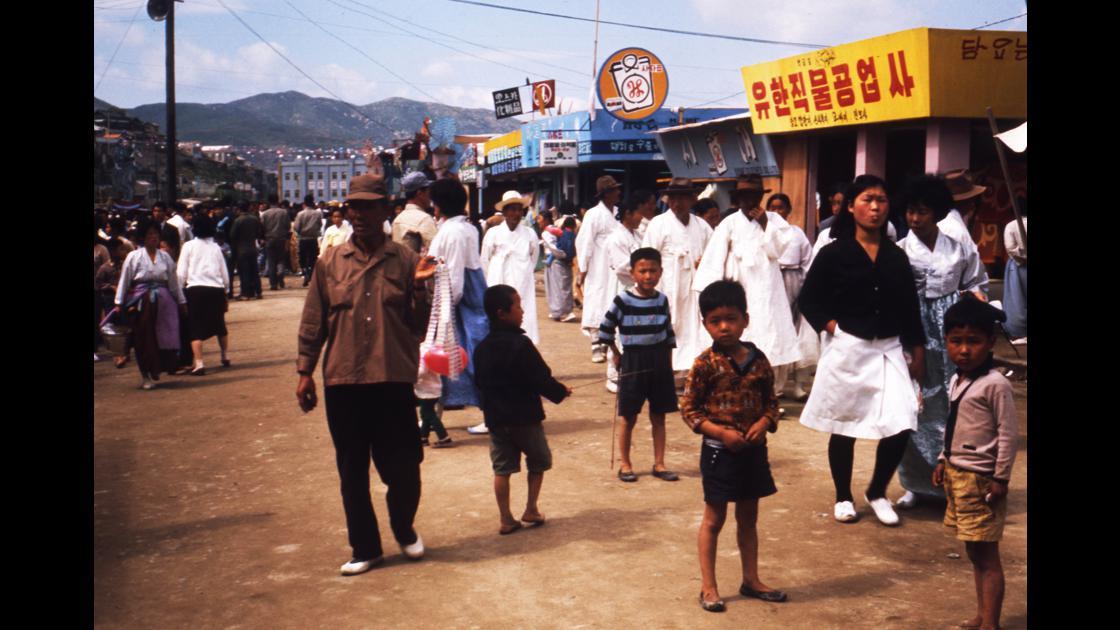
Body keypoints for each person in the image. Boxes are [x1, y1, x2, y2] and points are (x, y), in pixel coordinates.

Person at [295, 173, 437, 576]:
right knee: (352, 470)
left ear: (386, 210)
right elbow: (313, 322)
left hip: (391, 379)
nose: (358, 214)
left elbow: (421, 326)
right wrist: (305, 372)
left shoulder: (407, 260)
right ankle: (366, 547)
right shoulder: (330, 262)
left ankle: (403, 527)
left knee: (405, 466)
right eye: (352, 206)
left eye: (367, 205)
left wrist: (421, 290)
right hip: (344, 381)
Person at [798, 174, 926, 526]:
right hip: (848, 346)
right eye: (867, 200)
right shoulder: (833, 252)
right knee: (846, 423)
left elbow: (908, 306)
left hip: (889, 348)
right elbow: (808, 300)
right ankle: (843, 496)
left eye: (881, 200)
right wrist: (832, 328)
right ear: (851, 206)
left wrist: (918, 349)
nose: (875, 207)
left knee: (902, 421)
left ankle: (877, 490)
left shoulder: (896, 256)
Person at [681, 280, 786, 612]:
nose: (724, 327)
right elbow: (689, 410)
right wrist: (720, 432)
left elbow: (771, 402)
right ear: (705, 324)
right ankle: (708, 586)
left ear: (746, 319)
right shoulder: (704, 364)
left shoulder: (759, 361)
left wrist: (764, 422)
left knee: (749, 518)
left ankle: (751, 579)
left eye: (731, 318)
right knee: (714, 518)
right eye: (715, 321)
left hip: (754, 452)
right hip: (718, 452)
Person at [895, 175, 989, 508]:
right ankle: (914, 484)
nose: (915, 219)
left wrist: (974, 302)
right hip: (914, 330)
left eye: (922, 212)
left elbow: (976, 282)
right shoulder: (901, 251)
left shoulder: (960, 247)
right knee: (915, 403)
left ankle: (955, 481)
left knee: (955, 404)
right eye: (910, 211)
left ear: (936, 213)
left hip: (952, 331)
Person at [932, 295, 1017, 630]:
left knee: (987, 556)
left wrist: (1001, 479)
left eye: (973, 342)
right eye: (956, 341)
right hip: (958, 475)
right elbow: (952, 425)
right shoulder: (958, 380)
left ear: (990, 343)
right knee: (973, 552)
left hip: (982, 480)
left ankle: (991, 623)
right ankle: (983, 614)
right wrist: (943, 459)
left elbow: (1007, 435)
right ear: (946, 342)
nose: (964, 350)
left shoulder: (996, 384)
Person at [474, 284, 571, 535]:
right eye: (517, 305)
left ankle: (506, 518)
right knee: (538, 461)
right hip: (525, 418)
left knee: (502, 469)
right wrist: (561, 392)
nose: (522, 310)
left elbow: (479, 384)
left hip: (496, 420)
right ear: (502, 313)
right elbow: (541, 378)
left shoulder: (481, 348)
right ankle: (531, 508)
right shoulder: (521, 344)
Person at [696, 174, 802, 398]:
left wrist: (765, 224)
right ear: (738, 199)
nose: (749, 201)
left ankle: (769, 393)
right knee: (738, 334)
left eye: (754, 196)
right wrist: (712, 290)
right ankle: (737, 387)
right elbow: (714, 257)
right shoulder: (730, 223)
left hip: (767, 287)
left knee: (771, 335)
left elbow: (781, 250)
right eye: (744, 197)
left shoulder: (774, 221)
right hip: (739, 285)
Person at [598, 248, 680, 483]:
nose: (648, 276)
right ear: (632, 274)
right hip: (633, 360)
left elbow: (668, 334)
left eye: (652, 271)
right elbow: (606, 328)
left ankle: (660, 463)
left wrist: (668, 366)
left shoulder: (662, 300)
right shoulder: (623, 300)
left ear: (660, 272)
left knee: (659, 415)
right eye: (642, 271)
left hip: (659, 360)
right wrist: (615, 353)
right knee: (628, 416)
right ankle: (625, 464)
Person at [426, 178, 490, 432]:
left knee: (467, 358)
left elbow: (453, 276)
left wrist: (444, 309)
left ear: (439, 205)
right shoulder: (466, 228)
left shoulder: (452, 233)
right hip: (470, 296)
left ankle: (490, 413)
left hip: (459, 301)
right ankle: (433, 416)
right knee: (457, 359)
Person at [643, 178, 713, 379]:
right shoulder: (658, 224)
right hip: (668, 285)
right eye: (673, 198)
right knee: (670, 325)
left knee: (694, 327)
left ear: (693, 199)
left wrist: (704, 263)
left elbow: (713, 254)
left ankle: (690, 372)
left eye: (682, 198)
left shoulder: (702, 226)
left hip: (695, 285)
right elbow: (648, 256)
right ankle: (666, 372)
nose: (677, 203)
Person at [114, 218, 188, 390]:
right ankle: (145, 374)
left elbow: (174, 282)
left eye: (155, 234)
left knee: (165, 336)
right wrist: (119, 302)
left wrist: (181, 301)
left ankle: (159, 367)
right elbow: (125, 280)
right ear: (142, 237)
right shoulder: (133, 257)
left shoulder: (165, 257)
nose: (153, 237)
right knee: (143, 338)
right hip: (142, 301)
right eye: (149, 234)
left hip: (164, 303)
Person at [601, 194, 655, 393]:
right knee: (618, 332)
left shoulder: (638, 235)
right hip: (622, 287)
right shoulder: (615, 238)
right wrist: (641, 269)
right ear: (627, 214)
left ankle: (633, 375)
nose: (641, 218)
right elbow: (621, 266)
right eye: (638, 213)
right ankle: (613, 377)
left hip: (638, 289)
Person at [768, 193, 816, 400]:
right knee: (776, 333)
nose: (778, 212)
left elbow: (808, 260)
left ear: (788, 211)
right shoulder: (765, 231)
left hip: (794, 280)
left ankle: (798, 385)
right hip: (772, 280)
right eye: (774, 208)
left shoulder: (797, 233)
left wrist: (806, 288)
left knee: (798, 333)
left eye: (782, 208)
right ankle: (774, 387)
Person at [480, 190, 540, 345]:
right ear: (504, 212)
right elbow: (484, 260)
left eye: (519, 209)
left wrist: (523, 270)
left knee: (523, 315)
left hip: (522, 282)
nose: (516, 213)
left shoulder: (529, 234)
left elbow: (533, 258)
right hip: (498, 279)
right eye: (512, 209)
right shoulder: (493, 233)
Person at [177, 213, 233, 375]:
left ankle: (200, 363)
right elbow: (224, 273)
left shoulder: (188, 246)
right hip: (216, 289)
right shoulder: (216, 247)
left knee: (195, 327)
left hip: (195, 289)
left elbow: (181, 272)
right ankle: (225, 355)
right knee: (219, 325)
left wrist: (181, 290)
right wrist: (226, 290)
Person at [576, 176, 623, 363]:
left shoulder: (620, 212)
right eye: (615, 190)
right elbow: (584, 241)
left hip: (616, 262)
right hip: (598, 263)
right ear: (606, 194)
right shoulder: (593, 214)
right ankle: (595, 342)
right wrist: (583, 267)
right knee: (597, 298)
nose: (618, 193)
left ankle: (607, 340)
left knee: (613, 300)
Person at [96, 237, 129, 368]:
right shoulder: (105, 268)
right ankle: (117, 355)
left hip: (126, 300)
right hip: (110, 300)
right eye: (120, 249)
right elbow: (98, 284)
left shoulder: (127, 265)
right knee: (114, 328)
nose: (123, 252)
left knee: (126, 326)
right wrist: (110, 287)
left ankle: (125, 353)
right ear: (113, 251)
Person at [539, 210, 577, 322]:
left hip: (556, 260)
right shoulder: (558, 229)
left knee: (556, 287)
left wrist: (561, 255)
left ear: (546, 219)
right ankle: (559, 311)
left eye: (539, 218)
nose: (538, 221)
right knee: (563, 286)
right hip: (562, 261)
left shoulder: (546, 232)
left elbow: (553, 247)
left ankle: (563, 312)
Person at [1001, 197, 1027, 343]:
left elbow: (1010, 247)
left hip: (1018, 267)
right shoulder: (1013, 225)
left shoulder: (1011, 225)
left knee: (1017, 299)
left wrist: (1022, 257)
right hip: (1020, 264)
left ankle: (1019, 332)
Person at [392, 171, 438, 253]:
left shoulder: (398, 219)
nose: (430, 195)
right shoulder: (424, 219)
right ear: (419, 193)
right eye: (428, 191)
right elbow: (436, 252)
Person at [229, 201, 264, 300]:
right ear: (249, 208)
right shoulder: (255, 219)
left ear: (239, 209)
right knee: (255, 271)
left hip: (241, 249)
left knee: (244, 272)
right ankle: (258, 292)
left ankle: (245, 294)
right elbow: (260, 232)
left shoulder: (238, 220)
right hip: (253, 248)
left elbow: (232, 235)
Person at [260, 194, 291, 290]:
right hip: (281, 239)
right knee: (281, 259)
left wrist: (263, 238)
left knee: (271, 261)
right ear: (278, 201)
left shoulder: (265, 214)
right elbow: (288, 226)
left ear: (269, 202)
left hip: (269, 239)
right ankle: (281, 272)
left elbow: (261, 228)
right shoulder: (284, 212)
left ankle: (273, 284)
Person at [294, 195, 323, 287]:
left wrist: (301, 232)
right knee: (313, 258)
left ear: (304, 203)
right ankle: (311, 275)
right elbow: (320, 225)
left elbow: (296, 227)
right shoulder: (318, 214)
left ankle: (305, 273)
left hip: (303, 239)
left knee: (302, 258)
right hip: (313, 239)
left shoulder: (300, 214)